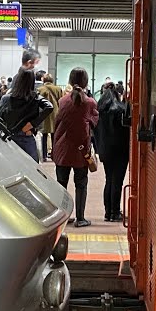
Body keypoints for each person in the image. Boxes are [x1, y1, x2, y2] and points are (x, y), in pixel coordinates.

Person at [53, 67, 99, 227]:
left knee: (61, 185)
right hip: (80, 151)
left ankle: (62, 218)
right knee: (81, 184)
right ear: (86, 82)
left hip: (61, 150)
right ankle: (80, 218)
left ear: (70, 81)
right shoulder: (90, 103)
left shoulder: (62, 101)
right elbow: (91, 126)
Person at [0, 69, 54, 161]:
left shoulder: (6, 98)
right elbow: (49, 107)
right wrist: (33, 124)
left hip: (9, 137)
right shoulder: (35, 97)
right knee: (33, 169)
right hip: (27, 136)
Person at [95, 82, 131, 222]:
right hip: (120, 151)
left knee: (109, 180)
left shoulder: (100, 110)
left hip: (105, 150)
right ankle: (115, 212)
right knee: (117, 181)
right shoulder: (121, 110)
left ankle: (108, 212)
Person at [37, 73, 64, 162]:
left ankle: (44, 155)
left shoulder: (40, 89)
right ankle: (54, 154)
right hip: (55, 113)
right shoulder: (58, 89)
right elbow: (61, 101)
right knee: (54, 135)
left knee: (44, 135)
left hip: (44, 113)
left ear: (43, 80)